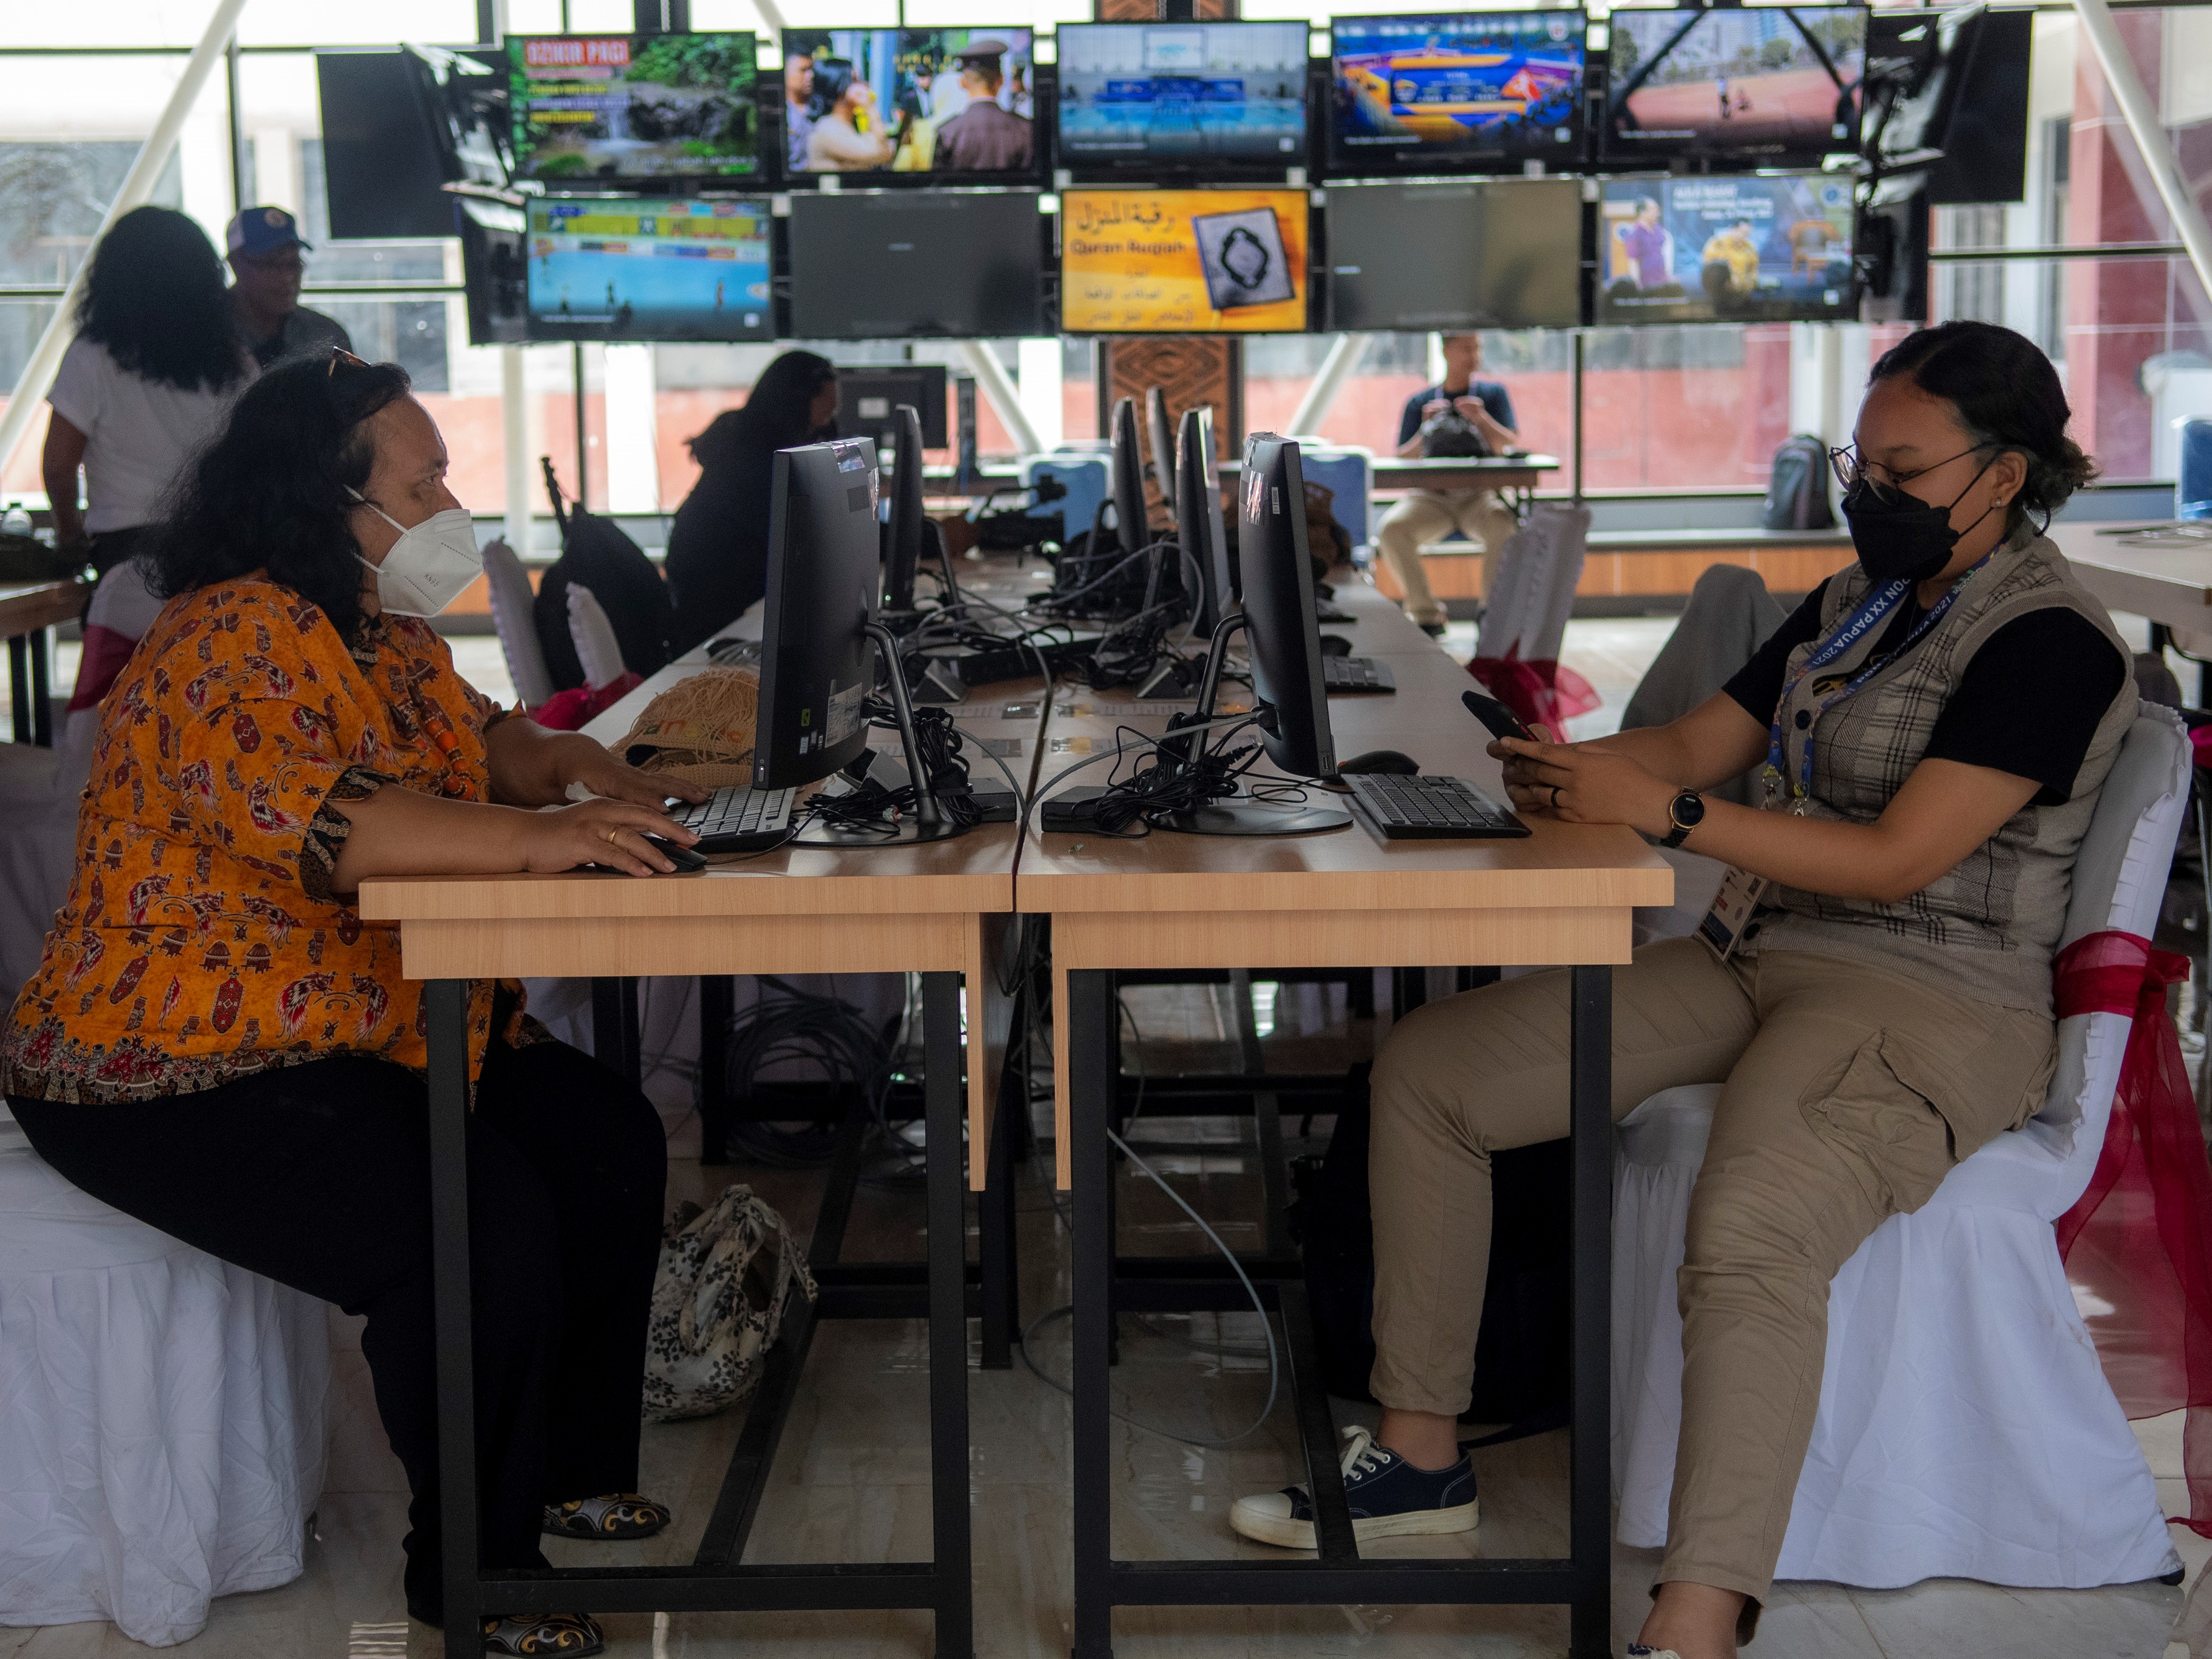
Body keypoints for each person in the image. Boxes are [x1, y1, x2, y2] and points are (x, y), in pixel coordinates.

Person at [1229, 322, 2134, 1659]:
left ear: (2001, 476)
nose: (1865, 492)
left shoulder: (2048, 643)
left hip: (1933, 998)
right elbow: (1693, 743)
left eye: (1900, 469)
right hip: (1763, 957)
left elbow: (1895, 859)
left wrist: (1665, 806)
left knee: (1754, 1223)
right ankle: (1421, 1454)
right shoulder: (1860, 602)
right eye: (1856, 461)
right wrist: (1555, 767)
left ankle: (1695, 1621)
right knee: (1433, 1073)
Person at [2, 350, 711, 1659]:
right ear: (330, 504)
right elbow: (350, 828)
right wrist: (542, 846)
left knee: (602, 1139)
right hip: (169, 1068)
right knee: (469, 1220)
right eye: (424, 477)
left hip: (346, 1020)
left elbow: (482, 742)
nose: (450, 499)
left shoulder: (370, 627)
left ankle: (565, 1469)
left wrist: (570, 772)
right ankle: (475, 1577)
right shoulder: (232, 636)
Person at [41, 205, 253, 579]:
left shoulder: (92, 356)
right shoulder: (234, 362)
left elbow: (59, 464)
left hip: (126, 552)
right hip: (220, 546)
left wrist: (71, 536)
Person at [664, 350, 839, 656]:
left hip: (735, 606)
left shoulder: (751, 442)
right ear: (795, 406)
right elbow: (807, 531)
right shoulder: (754, 461)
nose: (822, 434)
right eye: (820, 424)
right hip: (715, 619)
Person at [1372, 332, 1522, 634]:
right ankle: (1426, 614)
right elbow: (1403, 456)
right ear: (1446, 351)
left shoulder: (1493, 395)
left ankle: (1491, 614)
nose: (1474, 356)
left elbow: (1507, 443)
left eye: (1477, 348)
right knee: (1392, 530)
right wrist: (1426, 428)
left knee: (1504, 526)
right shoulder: (1421, 401)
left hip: (1480, 497)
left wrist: (1481, 418)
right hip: (1431, 499)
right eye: (1466, 348)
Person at [225, 205, 353, 370]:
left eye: (294, 265)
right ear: (235, 264)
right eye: (270, 265)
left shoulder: (325, 336)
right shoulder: (204, 334)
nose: (287, 278)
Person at [932, 42, 1033, 172]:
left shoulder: (947, 131)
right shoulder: (1026, 128)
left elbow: (940, 186)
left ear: (962, 83)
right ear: (1001, 80)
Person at [805, 59, 895, 172]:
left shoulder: (844, 124)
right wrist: (869, 106)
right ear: (839, 89)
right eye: (855, 81)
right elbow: (881, 154)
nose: (864, 85)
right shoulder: (829, 128)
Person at [1620, 195, 1671, 289]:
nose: (1657, 213)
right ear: (1642, 213)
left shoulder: (1658, 229)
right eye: (1653, 210)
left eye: (1657, 210)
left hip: (1662, 283)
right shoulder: (1634, 234)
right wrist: (1637, 287)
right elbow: (1633, 262)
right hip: (1647, 286)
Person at [784, 50, 817, 173]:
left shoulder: (821, 107)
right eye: (803, 70)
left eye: (811, 70)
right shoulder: (781, 112)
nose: (811, 76)